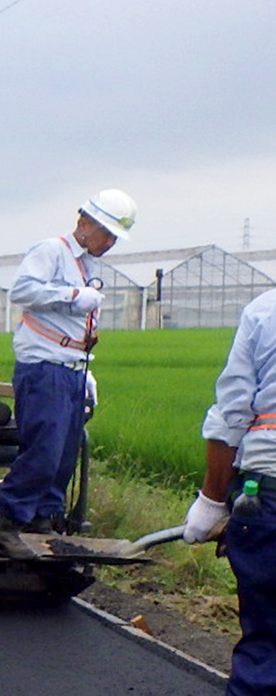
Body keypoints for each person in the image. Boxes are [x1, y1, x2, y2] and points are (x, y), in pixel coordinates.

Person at [0, 190, 138, 559]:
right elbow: (22, 290)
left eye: (114, 237)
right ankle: (9, 524)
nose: (110, 243)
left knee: (64, 454)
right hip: (44, 366)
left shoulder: (89, 265)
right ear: (84, 224)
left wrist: (86, 370)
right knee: (44, 449)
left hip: (71, 367)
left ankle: (42, 520)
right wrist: (72, 295)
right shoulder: (52, 251)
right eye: (107, 234)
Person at [183, 286, 276, 695]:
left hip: (268, 492)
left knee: (267, 641)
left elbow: (231, 416)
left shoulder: (265, 310)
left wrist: (210, 502)